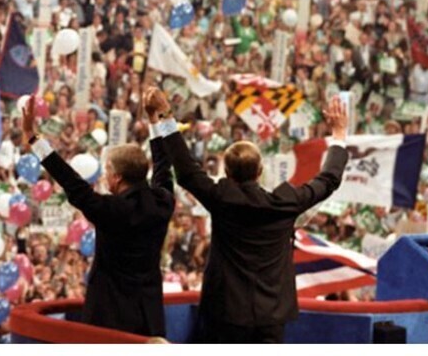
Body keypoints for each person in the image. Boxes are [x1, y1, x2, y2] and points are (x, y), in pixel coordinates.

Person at [147, 88, 349, 344]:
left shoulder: (221, 198)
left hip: (224, 316)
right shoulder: (286, 203)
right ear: (260, 171)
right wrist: (339, 135)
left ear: (227, 172)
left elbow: (186, 171)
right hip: (271, 318)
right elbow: (329, 178)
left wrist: (165, 115)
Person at [22, 90, 175, 338]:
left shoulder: (111, 209)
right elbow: (163, 167)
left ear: (116, 177)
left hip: (109, 319)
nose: (104, 176)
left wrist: (33, 138)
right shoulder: (163, 203)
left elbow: (71, 182)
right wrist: (155, 121)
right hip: (149, 315)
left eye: (107, 170)